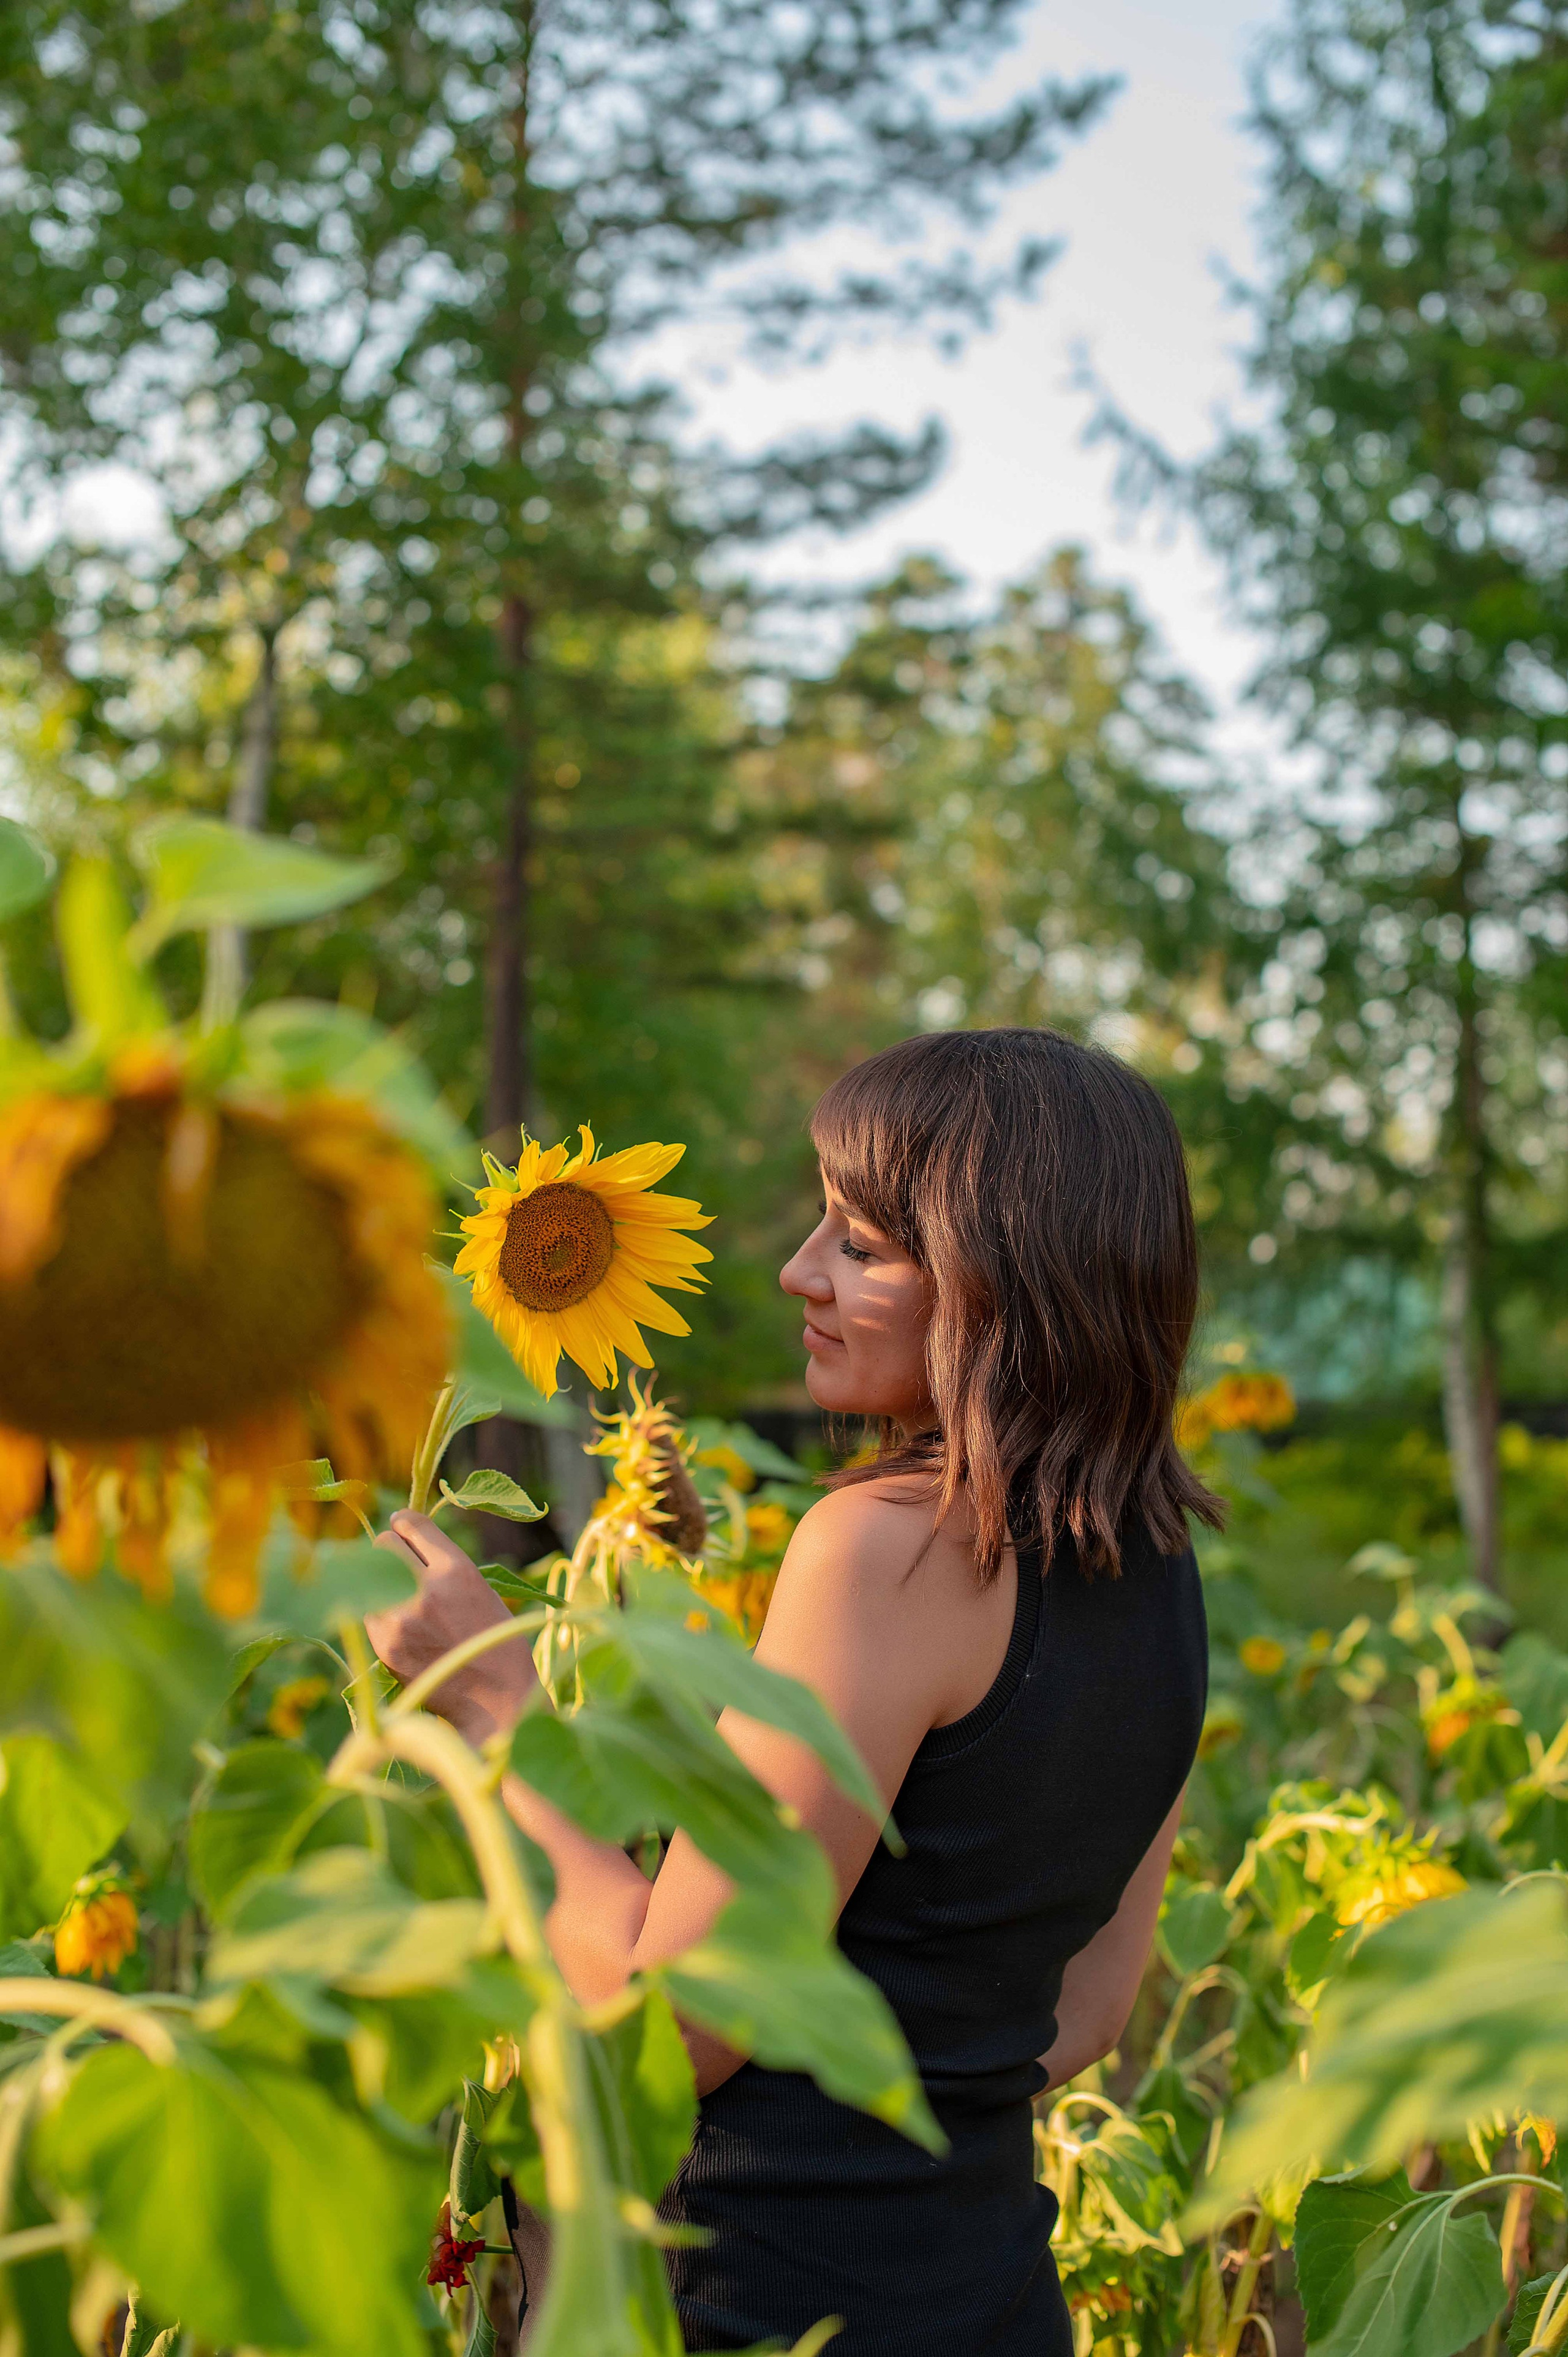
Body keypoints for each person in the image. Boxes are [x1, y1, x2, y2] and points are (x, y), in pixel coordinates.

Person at [368, 1026, 1219, 2355]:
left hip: (763, 2301)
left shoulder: (887, 1550)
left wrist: (486, 1703)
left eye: (860, 1247)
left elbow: (674, 2021)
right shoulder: (1156, 1560)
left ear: (1004, 1284)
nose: (796, 1272)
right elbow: (1091, 2009)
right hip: (988, 2297)